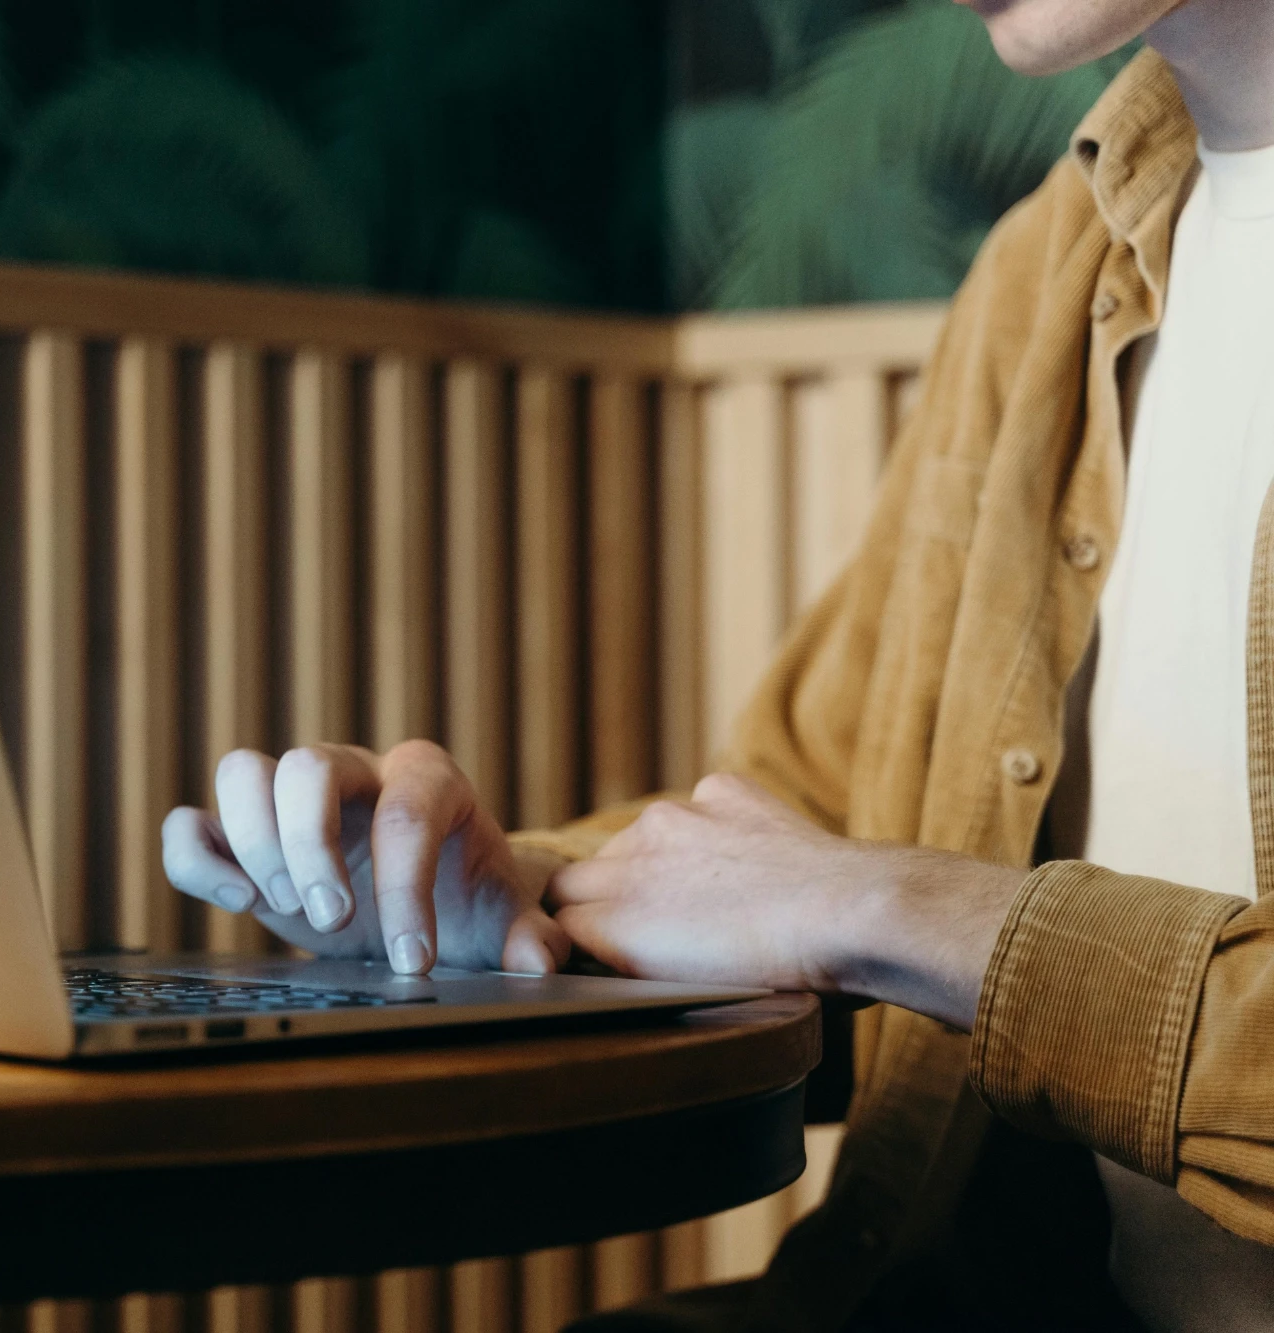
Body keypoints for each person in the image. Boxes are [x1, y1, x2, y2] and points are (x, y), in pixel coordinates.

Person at [158, 0, 1274, 1328]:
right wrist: (513, 901)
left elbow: (846, 888)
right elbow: (808, 828)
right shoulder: (1050, 268)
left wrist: (893, 912)